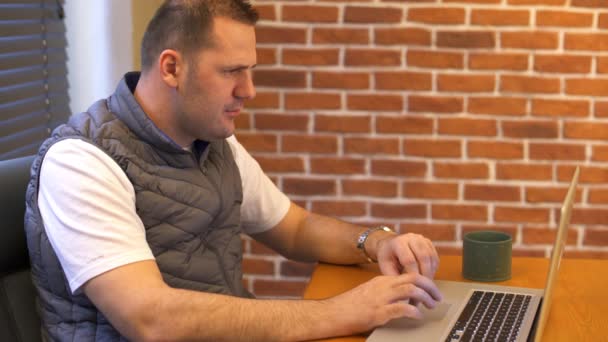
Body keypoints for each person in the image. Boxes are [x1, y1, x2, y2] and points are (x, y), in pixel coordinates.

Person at [24, 0, 442, 340]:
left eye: (250, 71)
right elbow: (152, 320)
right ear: (172, 68)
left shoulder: (214, 142)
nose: (249, 90)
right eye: (231, 72)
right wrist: (340, 312)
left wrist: (376, 241)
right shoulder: (81, 162)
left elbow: (295, 229)